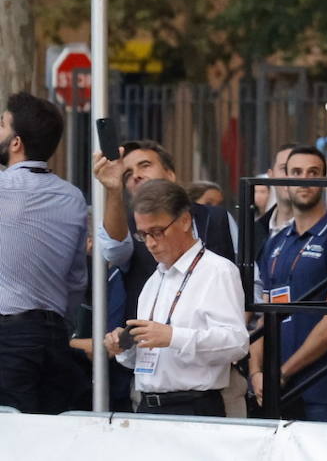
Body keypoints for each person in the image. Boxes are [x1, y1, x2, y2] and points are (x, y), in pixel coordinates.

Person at [105, 179, 249, 417]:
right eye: (143, 235)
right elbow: (144, 360)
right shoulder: (153, 281)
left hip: (193, 407)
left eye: (158, 232)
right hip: (146, 405)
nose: (150, 243)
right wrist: (124, 347)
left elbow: (236, 343)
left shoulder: (217, 271)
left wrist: (173, 336)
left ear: (184, 220)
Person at [250, 145, 327, 422]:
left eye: (314, 172)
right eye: (296, 172)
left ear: (325, 179)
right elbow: (265, 319)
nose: (305, 179)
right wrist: (256, 373)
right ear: (284, 179)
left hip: (321, 389)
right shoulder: (275, 242)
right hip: (275, 389)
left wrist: (284, 372)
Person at [0, 92, 88, 414]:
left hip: (9, 339)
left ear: (15, 143)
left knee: (9, 438)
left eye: (1, 124)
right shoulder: (73, 197)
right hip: (54, 339)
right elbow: (76, 279)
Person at [93, 140, 236, 312]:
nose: (136, 175)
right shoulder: (126, 225)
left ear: (170, 174)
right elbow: (114, 251)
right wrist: (113, 189)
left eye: (145, 165)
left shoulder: (216, 217)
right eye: (127, 174)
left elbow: (245, 278)